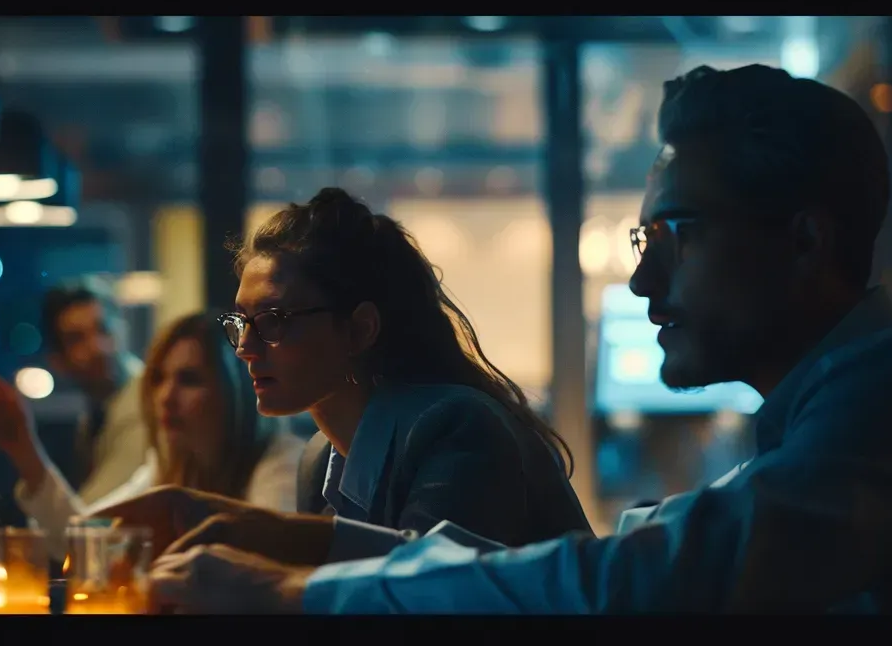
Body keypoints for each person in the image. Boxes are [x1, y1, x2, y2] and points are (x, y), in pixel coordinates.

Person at [139, 64, 892, 614]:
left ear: (803, 240)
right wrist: (273, 535)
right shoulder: (845, 408)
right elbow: (650, 546)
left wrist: (294, 596)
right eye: (643, 240)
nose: (642, 277)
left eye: (673, 234)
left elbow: (639, 582)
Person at [99, 187, 591, 567]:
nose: (246, 347)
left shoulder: (456, 423)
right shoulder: (319, 457)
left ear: (359, 328)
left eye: (274, 320)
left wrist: (247, 531)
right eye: (241, 323)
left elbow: (432, 588)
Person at [0, 312, 303, 559]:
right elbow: (86, 538)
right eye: (159, 378)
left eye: (189, 379)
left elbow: (259, 568)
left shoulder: (282, 463)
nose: (165, 396)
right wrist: (23, 450)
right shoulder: (166, 466)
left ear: (233, 392)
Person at [0, 285, 152, 516]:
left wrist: (24, 449)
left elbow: (87, 527)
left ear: (123, 329)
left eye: (104, 329)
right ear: (57, 361)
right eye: (77, 339)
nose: (97, 347)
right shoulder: (97, 413)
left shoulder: (145, 406)